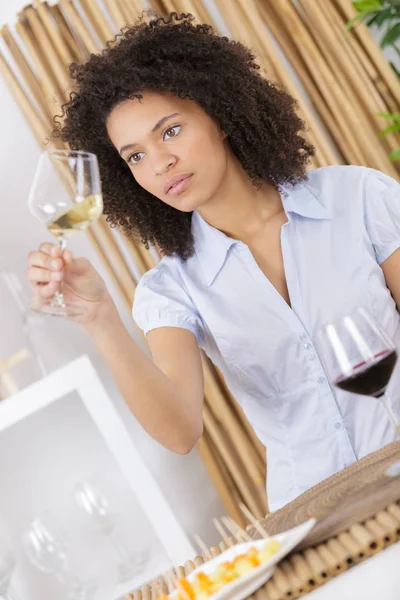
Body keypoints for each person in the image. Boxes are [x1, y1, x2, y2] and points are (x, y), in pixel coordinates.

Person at [25, 12, 400, 512]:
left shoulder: (356, 198)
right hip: (313, 521)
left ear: (220, 114)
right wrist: (99, 319)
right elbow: (181, 432)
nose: (160, 164)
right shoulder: (172, 288)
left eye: (171, 131)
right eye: (134, 156)